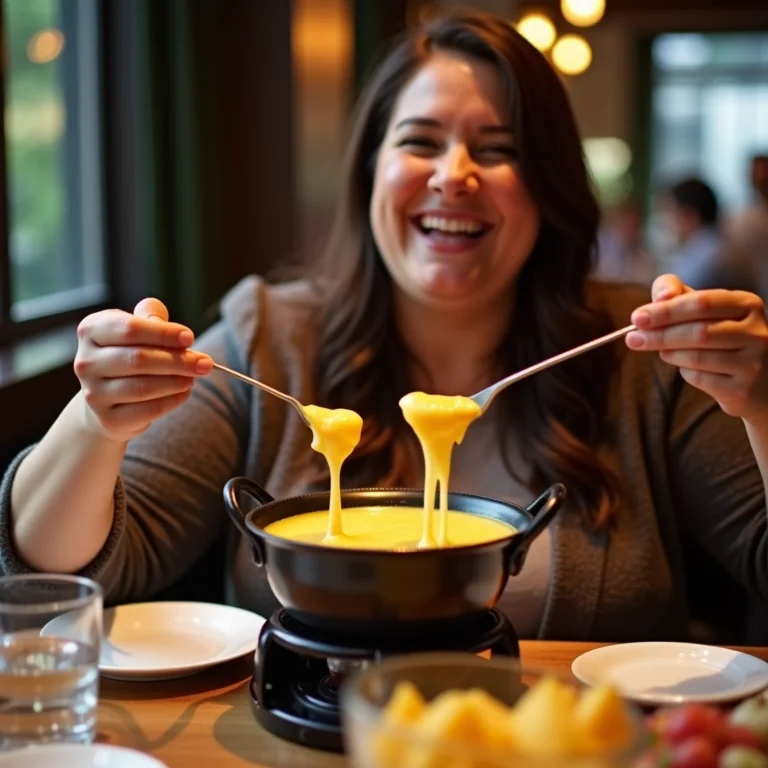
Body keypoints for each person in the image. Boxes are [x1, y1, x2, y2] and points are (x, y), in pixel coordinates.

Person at [3, 10, 768, 642]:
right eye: (420, 141)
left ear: (549, 187)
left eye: (499, 150)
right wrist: (96, 422)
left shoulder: (639, 354)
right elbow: (75, 568)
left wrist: (762, 404)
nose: (454, 173)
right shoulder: (272, 336)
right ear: (370, 171)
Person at [661, 177, 754, 293]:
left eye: (669, 213)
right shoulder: (718, 245)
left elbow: (676, 293)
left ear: (688, 214)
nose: (666, 222)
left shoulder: (712, 255)